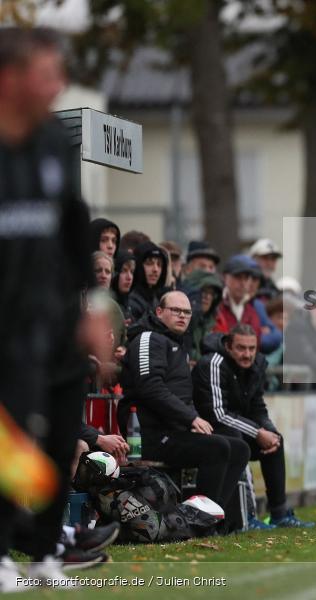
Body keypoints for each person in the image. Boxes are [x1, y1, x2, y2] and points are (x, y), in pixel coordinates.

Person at [0, 27, 108, 587]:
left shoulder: (51, 144)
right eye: (46, 75)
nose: (57, 85)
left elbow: (72, 226)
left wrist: (89, 308)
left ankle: (47, 555)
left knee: (62, 434)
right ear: (10, 79)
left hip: (57, 317)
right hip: (7, 325)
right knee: (11, 438)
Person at [119, 291, 250, 526]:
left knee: (239, 447)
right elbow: (149, 387)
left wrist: (193, 419)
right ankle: (196, 522)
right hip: (148, 434)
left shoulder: (177, 344)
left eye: (187, 312)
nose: (182, 316)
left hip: (174, 429)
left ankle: (213, 517)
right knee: (217, 448)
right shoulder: (149, 338)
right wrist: (191, 419)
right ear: (159, 312)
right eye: (176, 310)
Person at [193, 325, 315, 529]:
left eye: (252, 348)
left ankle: (280, 513)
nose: (247, 354)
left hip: (236, 425)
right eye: (241, 348)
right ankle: (246, 517)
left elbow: (258, 407)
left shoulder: (257, 364)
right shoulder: (214, 363)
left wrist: (269, 430)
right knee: (238, 443)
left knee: (276, 441)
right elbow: (217, 414)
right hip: (208, 428)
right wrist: (258, 433)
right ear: (228, 346)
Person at [215, 255, 263, 341]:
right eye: (238, 277)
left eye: (246, 278)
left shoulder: (251, 309)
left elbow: (257, 341)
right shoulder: (216, 305)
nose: (243, 283)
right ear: (225, 277)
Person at [181, 268, 224, 363]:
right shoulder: (180, 322)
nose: (207, 297)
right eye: (203, 291)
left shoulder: (214, 323)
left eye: (211, 293)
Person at [127, 241, 171, 324]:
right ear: (138, 265)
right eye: (149, 263)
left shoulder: (156, 299)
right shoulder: (130, 300)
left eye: (159, 264)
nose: (155, 269)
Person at [112, 251, 136, 325]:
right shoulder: (108, 304)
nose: (129, 277)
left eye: (132, 272)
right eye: (124, 271)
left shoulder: (129, 303)